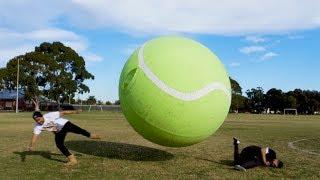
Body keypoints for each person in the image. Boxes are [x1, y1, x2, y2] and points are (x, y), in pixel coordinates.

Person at [28, 110, 101, 165]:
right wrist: (31, 146)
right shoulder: (37, 126)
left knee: (81, 131)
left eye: (39, 119)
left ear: (42, 116)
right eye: (36, 121)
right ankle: (72, 160)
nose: (39, 121)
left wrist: (76, 112)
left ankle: (91, 135)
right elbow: (35, 136)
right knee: (59, 145)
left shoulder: (49, 115)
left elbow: (63, 112)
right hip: (59, 131)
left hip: (65, 124)